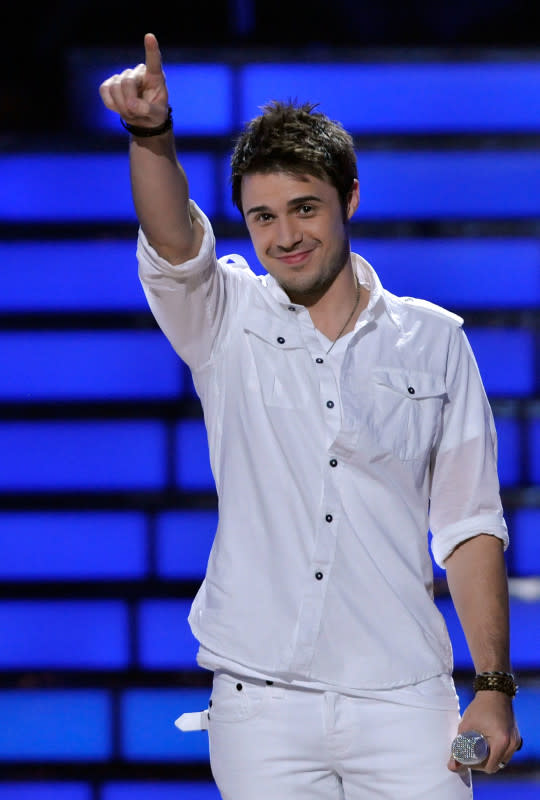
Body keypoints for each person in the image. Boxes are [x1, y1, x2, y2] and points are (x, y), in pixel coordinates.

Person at [99, 33, 522, 799]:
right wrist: (151, 135)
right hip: (260, 705)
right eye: (262, 218)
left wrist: (493, 682)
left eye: (303, 209)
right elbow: (171, 241)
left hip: (406, 698)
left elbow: (468, 524)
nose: (285, 236)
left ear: (349, 197)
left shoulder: (434, 340)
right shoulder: (221, 317)